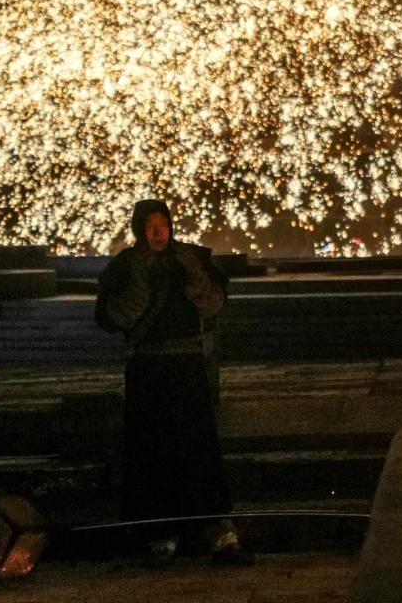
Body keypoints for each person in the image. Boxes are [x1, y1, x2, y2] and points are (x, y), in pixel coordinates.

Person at [95, 199, 252, 566]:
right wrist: (139, 288)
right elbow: (110, 317)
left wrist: (193, 277)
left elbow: (212, 304)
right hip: (148, 371)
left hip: (186, 368)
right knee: (153, 450)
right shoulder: (125, 266)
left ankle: (218, 531)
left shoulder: (190, 259)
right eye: (149, 225)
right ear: (138, 228)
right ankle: (160, 533)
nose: (157, 232)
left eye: (162, 223)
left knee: (197, 447)